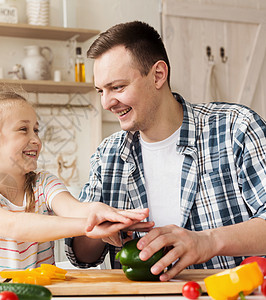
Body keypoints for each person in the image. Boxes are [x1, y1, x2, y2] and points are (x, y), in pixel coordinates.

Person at [65, 21, 266, 281]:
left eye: (117, 87)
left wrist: (208, 241)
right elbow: (84, 256)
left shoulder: (235, 128)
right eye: (100, 91)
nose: (106, 103)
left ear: (158, 75)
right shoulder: (109, 154)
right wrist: (97, 230)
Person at [0, 91, 151, 275]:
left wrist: (110, 214)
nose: (36, 140)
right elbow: (15, 226)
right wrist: (88, 227)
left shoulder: (43, 183)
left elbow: (75, 208)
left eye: (36, 130)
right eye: (23, 129)